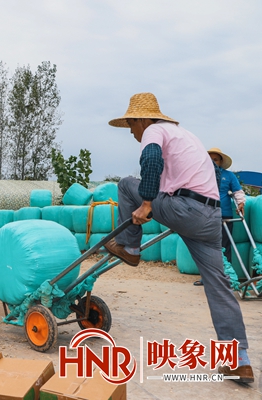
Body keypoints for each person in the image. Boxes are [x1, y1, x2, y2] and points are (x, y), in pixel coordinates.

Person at [104, 93, 253, 383]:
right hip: (210, 219)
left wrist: (146, 203)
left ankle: (131, 247)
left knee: (124, 184)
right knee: (218, 284)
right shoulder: (186, 137)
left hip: (186, 209)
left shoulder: (153, 131)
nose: (133, 132)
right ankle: (239, 358)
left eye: (132, 125)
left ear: (141, 119)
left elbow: (150, 160)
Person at [193, 148, 246, 286]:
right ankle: (206, 278)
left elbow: (237, 191)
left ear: (220, 162)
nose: (212, 162)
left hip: (225, 216)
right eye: (210, 159)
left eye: (215, 159)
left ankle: (225, 277)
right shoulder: (200, 176)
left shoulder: (228, 176)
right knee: (206, 247)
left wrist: (241, 203)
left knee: (224, 247)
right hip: (206, 216)